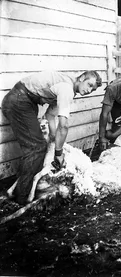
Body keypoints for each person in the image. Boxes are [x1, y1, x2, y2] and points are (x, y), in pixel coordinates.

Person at [1, 70, 102, 205]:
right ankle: (21, 199)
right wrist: (58, 153)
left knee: (38, 147)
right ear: (82, 78)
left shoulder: (67, 85)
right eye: (89, 85)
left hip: (25, 101)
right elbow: (64, 126)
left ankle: (15, 191)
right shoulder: (67, 89)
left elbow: (50, 115)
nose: (89, 90)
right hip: (19, 101)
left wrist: (53, 138)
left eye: (93, 89)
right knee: (36, 148)